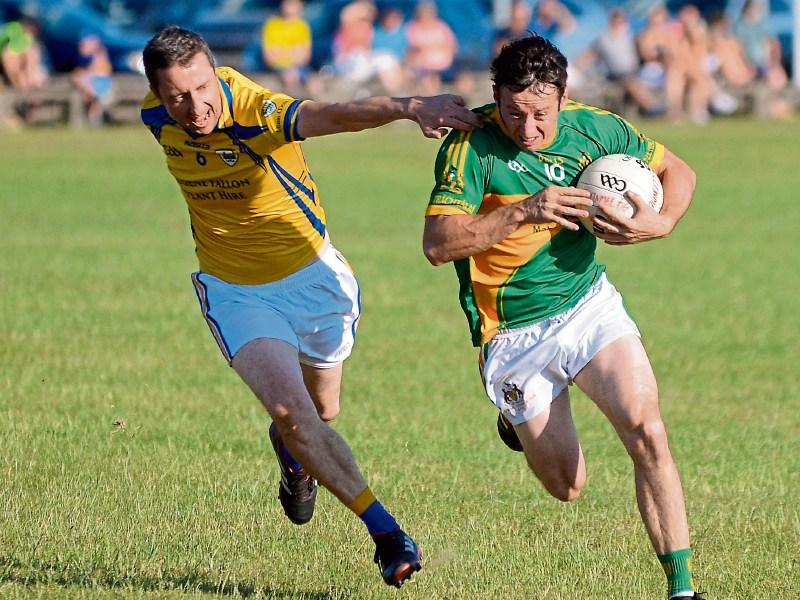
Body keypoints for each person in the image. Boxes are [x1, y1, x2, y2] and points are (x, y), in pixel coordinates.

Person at [140, 25, 479, 588]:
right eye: (178, 96)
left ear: (216, 74)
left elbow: (336, 114)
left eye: (202, 88)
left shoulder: (255, 111)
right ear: (157, 92)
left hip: (313, 278)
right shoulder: (155, 116)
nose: (195, 108)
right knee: (291, 412)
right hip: (235, 290)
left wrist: (410, 106)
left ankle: (294, 454)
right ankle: (387, 534)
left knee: (322, 412)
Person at [421, 34, 704, 600]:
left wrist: (663, 222)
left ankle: (682, 589)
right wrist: (527, 209)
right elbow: (438, 243)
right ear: (496, 98)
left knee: (647, 430)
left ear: (563, 97)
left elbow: (679, 171)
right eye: (514, 113)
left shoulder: (595, 128)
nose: (527, 129)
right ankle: (515, 421)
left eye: (540, 114)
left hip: (587, 305)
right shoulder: (470, 147)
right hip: (513, 333)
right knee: (567, 485)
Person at [260, 0, 319, 97]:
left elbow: (305, 56)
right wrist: (292, 53)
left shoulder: (302, 26)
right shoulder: (272, 25)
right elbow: (269, 56)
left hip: (299, 67)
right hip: (278, 67)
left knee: (315, 84)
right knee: (291, 78)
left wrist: (282, 52)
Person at [70, 33, 114, 126]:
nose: (81, 47)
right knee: (78, 93)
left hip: (101, 92)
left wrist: (90, 89)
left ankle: (95, 121)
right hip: (91, 92)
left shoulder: (102, 63)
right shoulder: (88, 63)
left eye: (85, 45)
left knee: (95, 99)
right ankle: (90, 121)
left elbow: (103, 81)